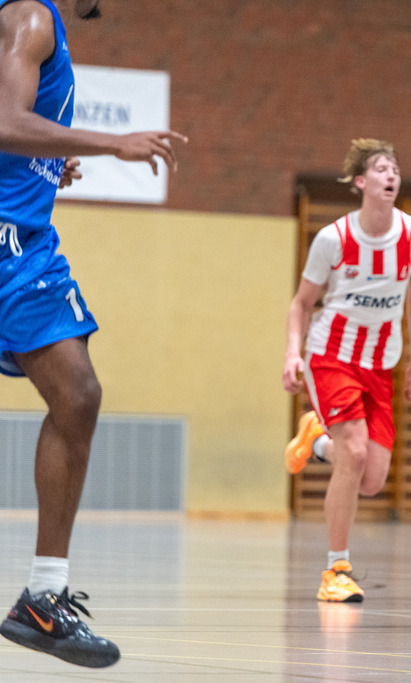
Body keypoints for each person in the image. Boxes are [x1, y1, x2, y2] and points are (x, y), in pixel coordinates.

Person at [0, 0, 186, 668]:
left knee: (78, 394)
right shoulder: (31, 16)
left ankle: (42, 599)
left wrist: (48, 165)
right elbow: (6, 122)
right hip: (9, 245)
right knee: (77, 393)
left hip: (25, 245)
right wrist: (112, 143)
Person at [282, 138, 411, 603]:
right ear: (361, 182)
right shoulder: (333, 238)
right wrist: (292, 353)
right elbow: (302, 303)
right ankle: (336, 570)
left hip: (381, 363)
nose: (391, 175)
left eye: (396, 169)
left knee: (371, 479)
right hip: (331, 355)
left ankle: (316, 439)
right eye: (382, 169)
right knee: (354, 451)